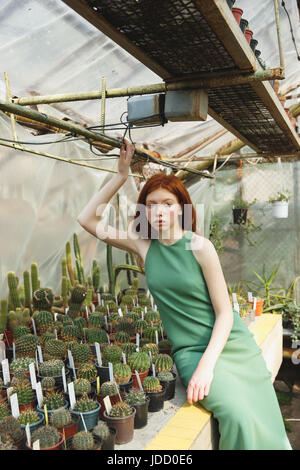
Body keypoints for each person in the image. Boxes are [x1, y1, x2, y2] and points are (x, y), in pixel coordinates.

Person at [77, 138, 292, 450]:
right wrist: (121, 175)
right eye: (152, 205)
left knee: (260, 411)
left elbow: (225, 313)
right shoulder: (143, 246)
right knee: (236, 414)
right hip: (190, 352)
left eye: (168, 204)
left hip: (230, 346)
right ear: (144, 212)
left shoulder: (200, 247)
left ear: (181, 208)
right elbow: (87, 219)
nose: (160, 211)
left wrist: (209, 365)